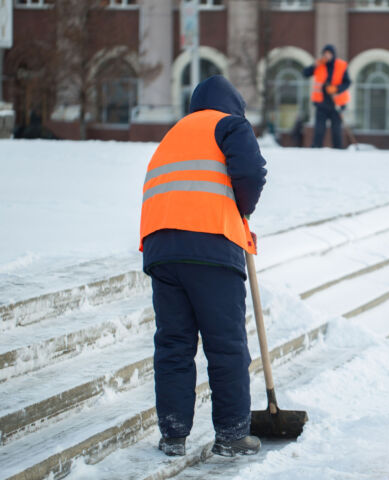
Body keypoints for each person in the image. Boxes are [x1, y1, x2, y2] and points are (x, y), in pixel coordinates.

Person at [139, 75, 267, 457]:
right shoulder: (229, 124)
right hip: (210, 246)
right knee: (225, 346)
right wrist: (242, 208)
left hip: (161, 249)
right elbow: (251, 173)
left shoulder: (174, 133)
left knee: (174, 344)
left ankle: (173, 435)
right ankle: (231, 435)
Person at [302, 44, 351, 148]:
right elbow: (305, 73)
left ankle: (338, 150)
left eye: (329, 54)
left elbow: (347, 82)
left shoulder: (341, 65)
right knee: (319, 130)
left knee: (336, 131)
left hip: (336, 103)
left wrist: (337, 89)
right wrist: (313, 66)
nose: (327, 56)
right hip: (321, 103)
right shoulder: (319, 65)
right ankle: (316, 149)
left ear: (333, 55)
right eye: (325, 54)